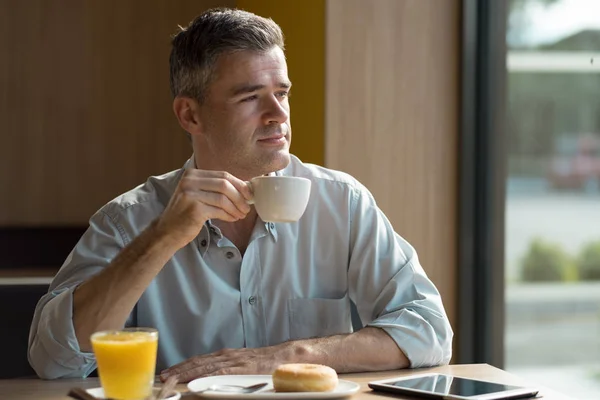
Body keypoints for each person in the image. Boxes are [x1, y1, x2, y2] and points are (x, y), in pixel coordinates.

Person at [28, 8, 453, 382]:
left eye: (282, 93)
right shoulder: (129, 220)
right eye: (251, 97)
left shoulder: (343, 203)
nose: (279, 115)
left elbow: (429, 329)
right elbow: (54, 360)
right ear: (189, 114)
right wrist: (162, 239)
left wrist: (290, 356)